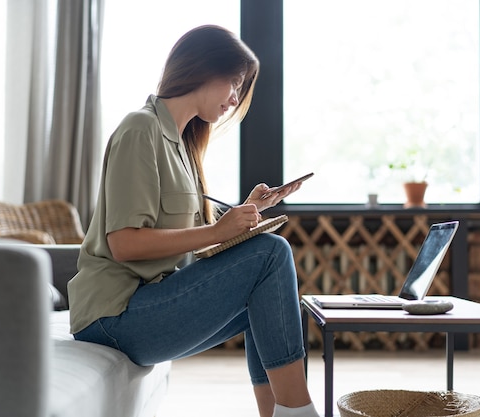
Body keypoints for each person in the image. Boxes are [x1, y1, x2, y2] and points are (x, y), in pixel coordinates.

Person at [67, 25, 319, 417]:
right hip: (114, 314)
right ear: (204, 69)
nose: (235, 99)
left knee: (266, 283)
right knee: (272, 254)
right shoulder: (141, 128)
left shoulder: (182, 144)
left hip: (147, 303)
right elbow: (125, 243)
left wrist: (244, 213)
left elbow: (192, 237)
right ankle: (300, 412)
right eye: (234, 83)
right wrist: (219, 229)